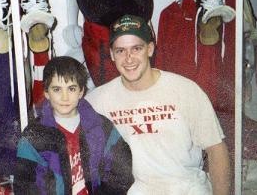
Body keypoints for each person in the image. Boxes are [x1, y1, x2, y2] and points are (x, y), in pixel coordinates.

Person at [85, 14, 231, 195]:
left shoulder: (185, 90)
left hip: (186, 188)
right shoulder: (96, 101)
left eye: (136, 48)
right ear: (112, 55)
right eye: (120, 51)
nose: (129, 59)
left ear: (150, 49)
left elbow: (216, 149)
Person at [14, 56, 134, 195]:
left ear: (81, 91)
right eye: (57, 89)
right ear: (46, 93)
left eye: (71, 89)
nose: (65, 97)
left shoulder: (100, 126)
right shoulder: (34, 135)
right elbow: (24, 185)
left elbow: (122, 172)